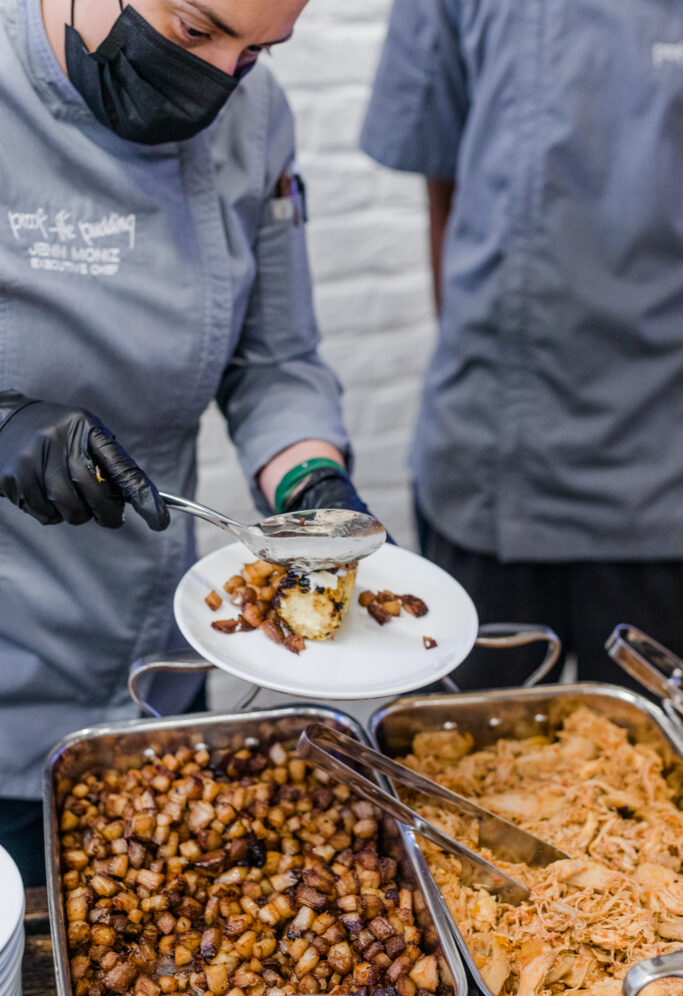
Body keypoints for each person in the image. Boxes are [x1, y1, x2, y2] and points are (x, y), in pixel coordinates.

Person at [0, 0, 373, 884]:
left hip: (153, 663)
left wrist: (312, 480)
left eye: (258, 50)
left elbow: (276, 360)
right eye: (196, 32)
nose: (220, 78)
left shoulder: (256, 113)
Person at [361, 0, 683, 691]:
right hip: (489, 468)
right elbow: (443, 186)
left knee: (652, 782)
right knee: (463, 768)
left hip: (664, 477)